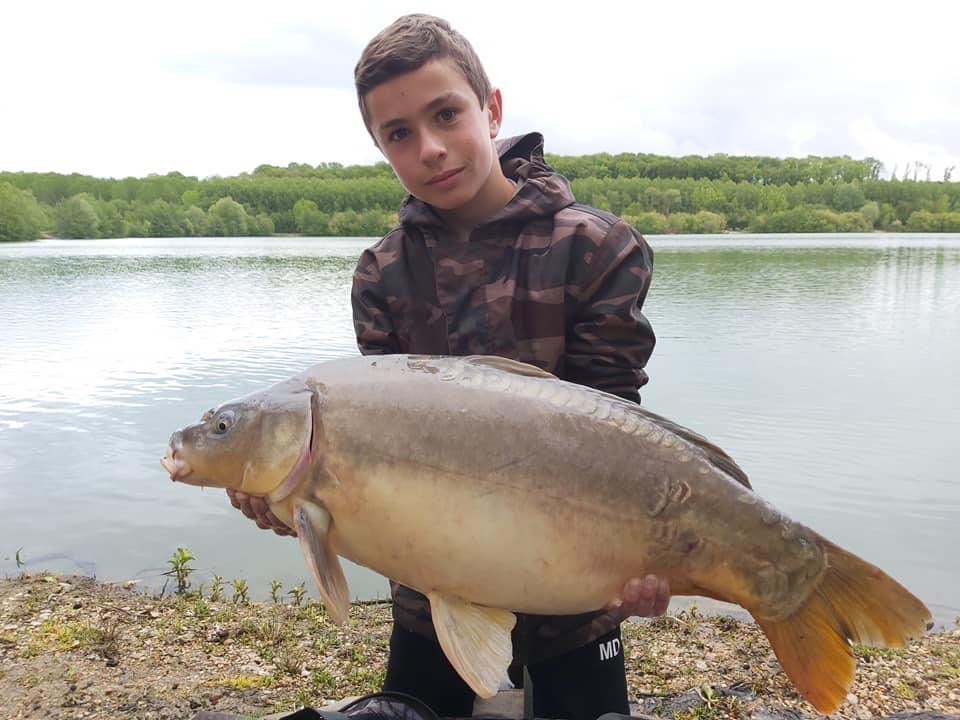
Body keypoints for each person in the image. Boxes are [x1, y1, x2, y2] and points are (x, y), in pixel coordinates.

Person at [228, 13, 670, 720]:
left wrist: (648, 557)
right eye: (399, 134)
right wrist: (295, 498)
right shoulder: (383, 273)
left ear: (491, 109)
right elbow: (370, 454)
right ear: (380, 148)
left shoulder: (597, 248)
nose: (430, 148)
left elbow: (613, 427)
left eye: (446, 115)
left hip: (575, 594)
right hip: (431, 590)